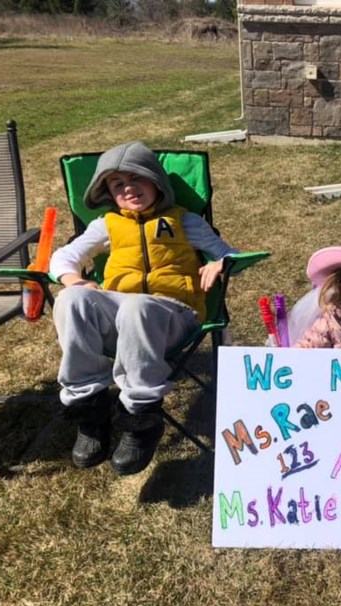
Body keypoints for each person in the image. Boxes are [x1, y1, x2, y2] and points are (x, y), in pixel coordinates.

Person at [50, 141, 238, 475]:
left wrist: (220, 263)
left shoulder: (185, 220)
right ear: (108, 192)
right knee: (72, 300)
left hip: (173, 314)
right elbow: (64, 257)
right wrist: (74, 281)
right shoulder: (106, 225)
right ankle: (91, 412)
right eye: (117, 184)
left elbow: (227, 252)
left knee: (137, 307)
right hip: (120, 314)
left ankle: (141, 420)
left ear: (156, 182)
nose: (128, 188)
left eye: (137, 178)